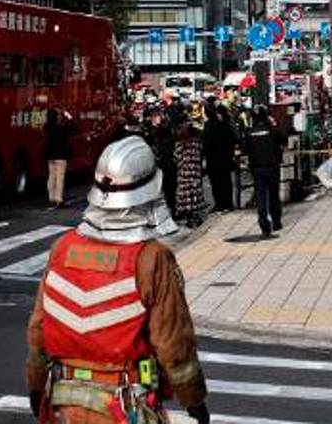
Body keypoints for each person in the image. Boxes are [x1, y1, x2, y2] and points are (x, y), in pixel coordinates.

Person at [24, 137, 210, 424]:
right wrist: (194, 399)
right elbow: (173, 342)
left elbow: (38, 328)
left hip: (64, 402)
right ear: (150, 191)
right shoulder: (152, 258)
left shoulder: (62, 248)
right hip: (125, 405)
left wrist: (36, 384)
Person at [242, 106, 285, 238]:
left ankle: (264, 225)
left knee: (261, 196)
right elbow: (283, 139)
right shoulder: (273, 130)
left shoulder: (249, 132)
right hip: (272, 166)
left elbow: (244, 149)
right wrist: (274, 124)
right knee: (273, 195)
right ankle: (276, 222)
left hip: (256, 168)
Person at [173, 106, 206, 228]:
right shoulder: (197, 143)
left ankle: (189, 216)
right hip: (195, 172)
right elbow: (201, 154)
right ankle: (195, 216)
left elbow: (176, 158)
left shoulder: (179, 144)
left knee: (185, 194)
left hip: (184, 173)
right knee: (195, 192)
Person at [203, 104, 237, 212]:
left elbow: (205, 144)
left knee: (216, 183)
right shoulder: (225, 125)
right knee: (225, 181)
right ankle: (228, 204)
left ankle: (219, 204)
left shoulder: (208, 125)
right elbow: (232, 140)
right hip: (225, 158)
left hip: (213, 159)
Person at [44, 108, 75, 209]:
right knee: (60, 178)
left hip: (50, 155)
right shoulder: (61, 128)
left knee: (51, 176)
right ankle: (58, 199)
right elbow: (72, 127)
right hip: (60, 155)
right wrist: (69, 117)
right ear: (56, 117)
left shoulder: (47, 127)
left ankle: (51, 197)